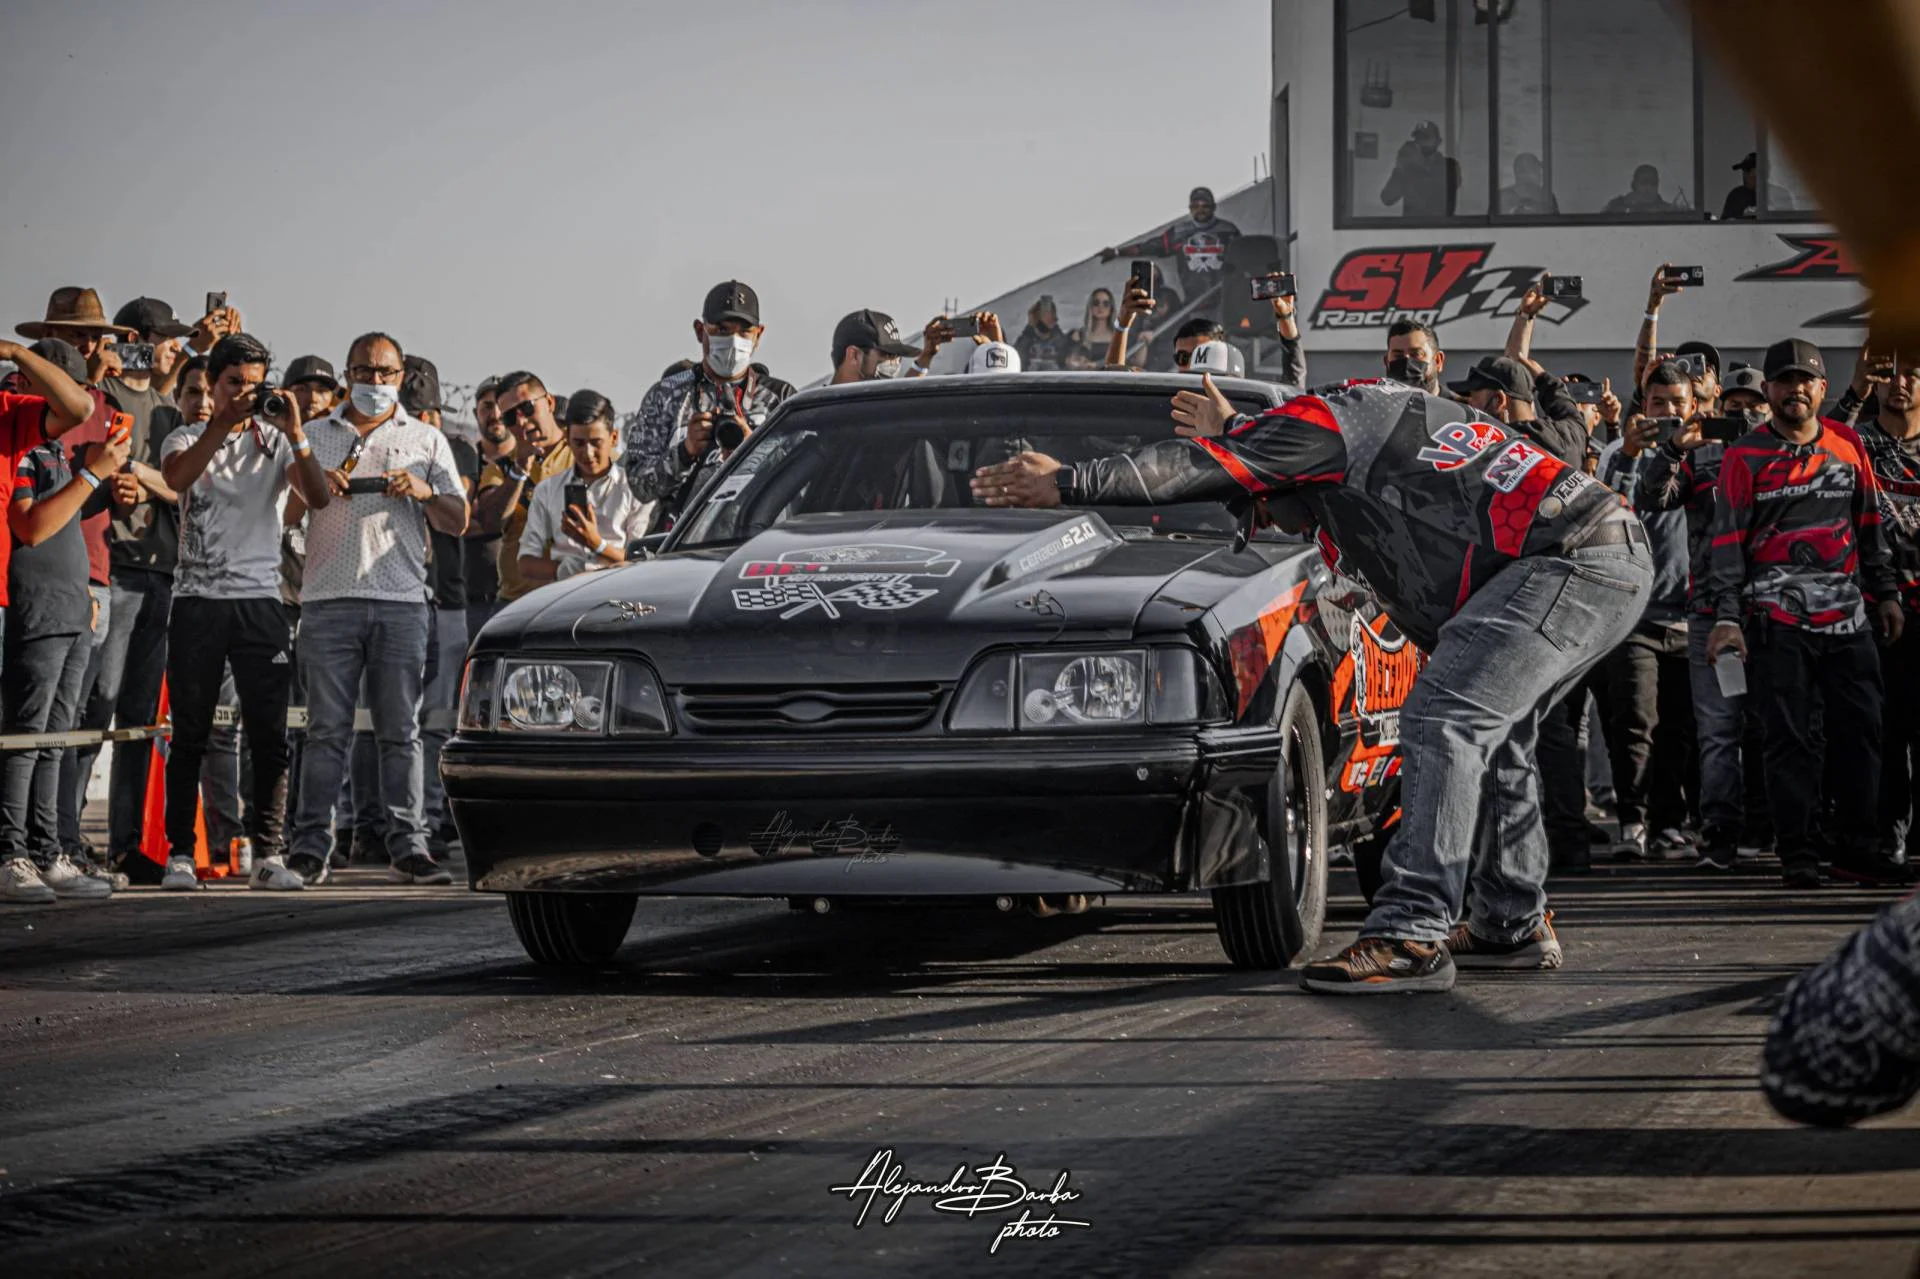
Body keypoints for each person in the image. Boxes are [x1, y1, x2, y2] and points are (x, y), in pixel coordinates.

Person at [972, 373, 1652, 993]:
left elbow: (1200, 465)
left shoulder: (1322, 422)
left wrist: (1069, 481)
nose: (1267, 522)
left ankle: (1412, 933)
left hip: (1573, 558)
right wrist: (1238, 427)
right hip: (1585, 553)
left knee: (1440, 715)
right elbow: (1267, 451)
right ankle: (1510, 925)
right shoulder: (1338, 425)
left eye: (1260, 507)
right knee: (1494, 737)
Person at [1705, 339, 1906, 889]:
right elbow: (1727, 543)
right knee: (1789, 739)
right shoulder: (1743, 456)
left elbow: (1869, 527)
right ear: (1767, 390)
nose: (1795, 389)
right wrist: (1727, 618)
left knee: (1862, 732)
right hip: (1777, 621)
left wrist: (1885, 594)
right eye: (1784, 380)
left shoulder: (1847, 444)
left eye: (1805, 380)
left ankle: (1858, 847)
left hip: (1848, 619)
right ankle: (1798, 851)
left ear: (1822, 388)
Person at [157, 333, 333, 892]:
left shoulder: (275, 439)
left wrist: (298, 432)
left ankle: (268, 853)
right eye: (234, 383)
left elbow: (320, 498)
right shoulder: (185, 434)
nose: (245, 394)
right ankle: (181, 853)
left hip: (261, 600)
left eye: (254, 385)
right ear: (212, 384)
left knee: (268, 734)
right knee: (191, 732)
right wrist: (221, 423)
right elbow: (176, 479)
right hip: (198, 601)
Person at [288, 333, 465, 887]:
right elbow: (286, 511)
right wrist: (319, 481)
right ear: (347, 374)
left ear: (400, 374)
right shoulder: (313, 434)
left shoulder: (426, 438)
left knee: (400, 732)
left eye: (386, 372)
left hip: (401, 603)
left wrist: (421, 490)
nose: (375, 382)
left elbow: (457, 519)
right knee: (325, 733)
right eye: (365, 371)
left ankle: (409, 846)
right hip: (326, 601)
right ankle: (311, 847)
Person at [1635, 365, 1763, 870]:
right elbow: (1653, 497)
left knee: (1774, 725)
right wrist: (1674, 449)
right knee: (1717, 729)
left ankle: (1773, 828)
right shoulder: (1700, 455)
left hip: (1770, 610)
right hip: (1710, 612)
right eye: (1733, 409)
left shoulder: (1782, 453)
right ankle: (1721, 835)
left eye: (1754, 407)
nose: (1744, 417)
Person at [0, 339, 112, 904]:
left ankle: (47, 850)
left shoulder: (59, 453)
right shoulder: (22, 445)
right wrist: (93, 479)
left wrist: (85, 592)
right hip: (36, 604)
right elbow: (32, 526)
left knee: (55, 738)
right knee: (24, 735)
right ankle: (11, 850)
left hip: (69, 605)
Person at [1598, 362, 1702, 861]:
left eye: (1677, 403)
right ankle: (1632, 823)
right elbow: (1605, 511)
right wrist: (1633, 454)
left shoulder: (1708, 455)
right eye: (1659, 402)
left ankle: (1668, 825)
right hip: (1633, 615)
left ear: (1694, 406)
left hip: (1690, 615)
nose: (1668, 412)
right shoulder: (1619, 453)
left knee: (1679, 730)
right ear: (1644, 406)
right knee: (1634, 724)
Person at [622, 280, 794, 515]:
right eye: (722, 330)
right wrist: (686, 452)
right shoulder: (666, 395)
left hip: (757, 537)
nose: (734, 341)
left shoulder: (781, 400)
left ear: (759, 334)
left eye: (744, 331)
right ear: (700, 331)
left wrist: (753, 450)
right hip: (683, 538)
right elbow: (639, 486)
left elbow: (802, 478)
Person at [400, 355, 479, 859]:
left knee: (439, 721)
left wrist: (420, 485)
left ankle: (435, 816)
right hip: (399, 597)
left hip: (447, 603)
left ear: (433, 417)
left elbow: (458, 510)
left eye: (418, 413)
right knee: (393, 721)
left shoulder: (458, 450)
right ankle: (397, 820)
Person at [1857, 359, 1920, 863]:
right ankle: (1889, 835)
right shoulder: (1855, 443)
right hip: (1878, 607)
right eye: (1891, 371)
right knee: (1885, 725)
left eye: (1913, 372)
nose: (1900, 382)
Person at [518, 392, 655, 585]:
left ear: (613, 437)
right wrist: (566, 569)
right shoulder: (548, 490)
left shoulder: (635, 489)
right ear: (567, 439)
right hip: (565, 596)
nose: (587, 453)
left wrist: (596, 544)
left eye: (595, 443)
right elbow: (526, 562)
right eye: (579, 443)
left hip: (619, 592)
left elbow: (643, 562)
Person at [475, 371, 574, 608]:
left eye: (527, 408)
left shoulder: (585, 451)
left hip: (574, 598)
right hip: (516, 603)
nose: (520, 421)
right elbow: (490, 522)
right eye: (510, 417)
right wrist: (518, 471)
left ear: (549, 402)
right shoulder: (501, 467)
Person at [1099, 186, 1244, 305]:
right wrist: (1117, 252)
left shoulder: (1228, 230)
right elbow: (1149, 246)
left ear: (1213, 207)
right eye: (1196, 206)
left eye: (1205, 206)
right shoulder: (1179, 232)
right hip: (1194, 303)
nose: (1201, 210)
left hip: (1225, 300)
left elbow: (1244, 259)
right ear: (1190, 208)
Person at [1380, 122, 1461, 218]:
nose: (1422, 142)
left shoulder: (1449, 166)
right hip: (1412, 229)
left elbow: (1439, 193)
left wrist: (1420, 164)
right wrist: (1400, 166)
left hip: (1441, 229)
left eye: (1426, 138)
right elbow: (1387, 199)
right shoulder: (1408, 168)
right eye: (1418, 138)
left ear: (1438, 141)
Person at [827, 310, 922, 385]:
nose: (895, 362)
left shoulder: (880, 404)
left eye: (898, 356)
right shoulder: (818, 407)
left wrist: (926, 358)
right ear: (854, 355)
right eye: (887, 354)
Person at [1013, 296, 1073, 372]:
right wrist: (1029, 329)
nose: (1049, 318)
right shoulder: (1025, 341)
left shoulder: (1062, 342)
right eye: (1044, 315)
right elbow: (1017, 361)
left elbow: (1068, 364)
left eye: (1051, 314)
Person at [1067, 289, 1121, 365]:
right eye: (1096, 303)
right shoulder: (1078, 335)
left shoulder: (1120, 336)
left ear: (1111, 308)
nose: (1100, 307)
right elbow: (1068, 363)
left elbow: (1134, 363)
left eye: (1106, 303)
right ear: (1090, 306)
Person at [1498, 152, 1559, 216]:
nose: (1540, 175)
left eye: (1539, 170)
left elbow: (1557, 223)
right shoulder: (1501, 197)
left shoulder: (1547, 197)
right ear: (1519, 173)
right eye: (1534, 170)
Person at [1604, 164, 1676, 216]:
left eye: (1653, 182)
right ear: (1634, 185)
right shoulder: (1616, 206)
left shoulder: (1668, 210)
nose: (1649, 187)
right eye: (1644, 182)